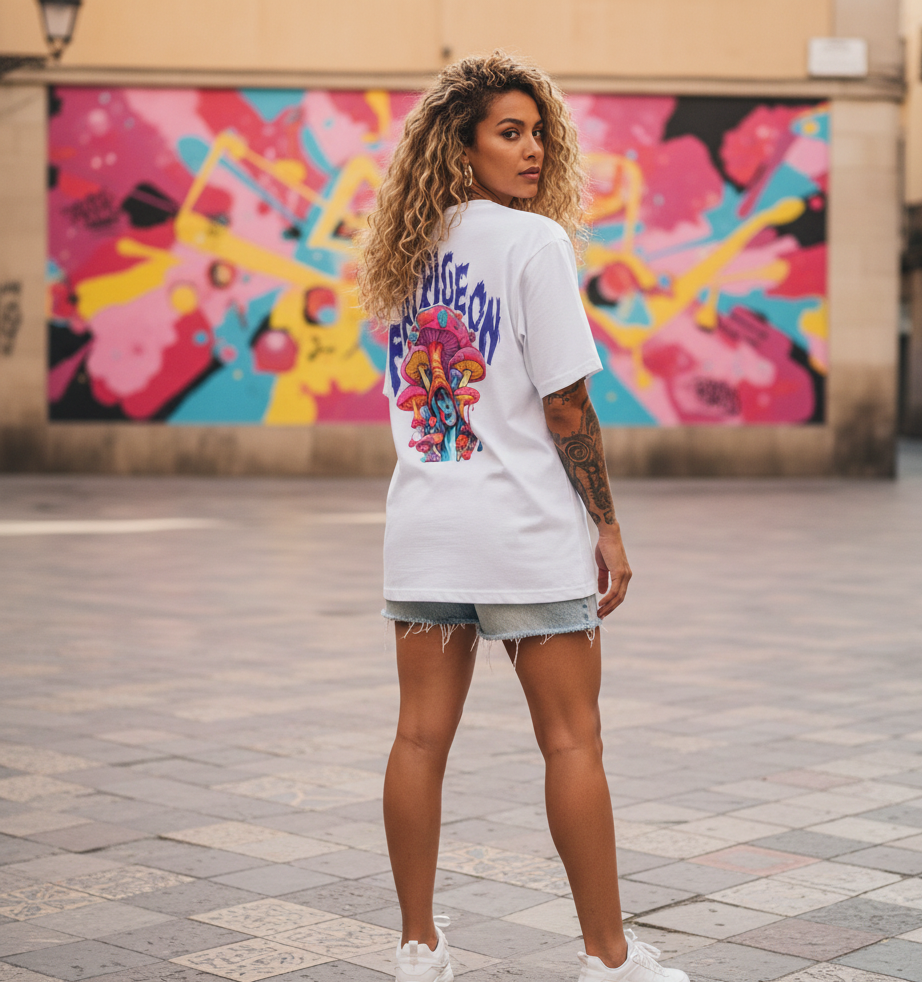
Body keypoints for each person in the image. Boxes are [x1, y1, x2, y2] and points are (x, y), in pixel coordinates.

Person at [358, 51, 689, 982]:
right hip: (525, 535)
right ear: (460, 149)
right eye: (510, 132)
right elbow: (565, 407)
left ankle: (419, 949)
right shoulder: (534, 244)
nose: (534, 148)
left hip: (426, 530)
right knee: (573, 741)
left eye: (538, 131)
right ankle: (610, 960)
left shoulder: (406, 250)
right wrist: (609, 528)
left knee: (417, 738)